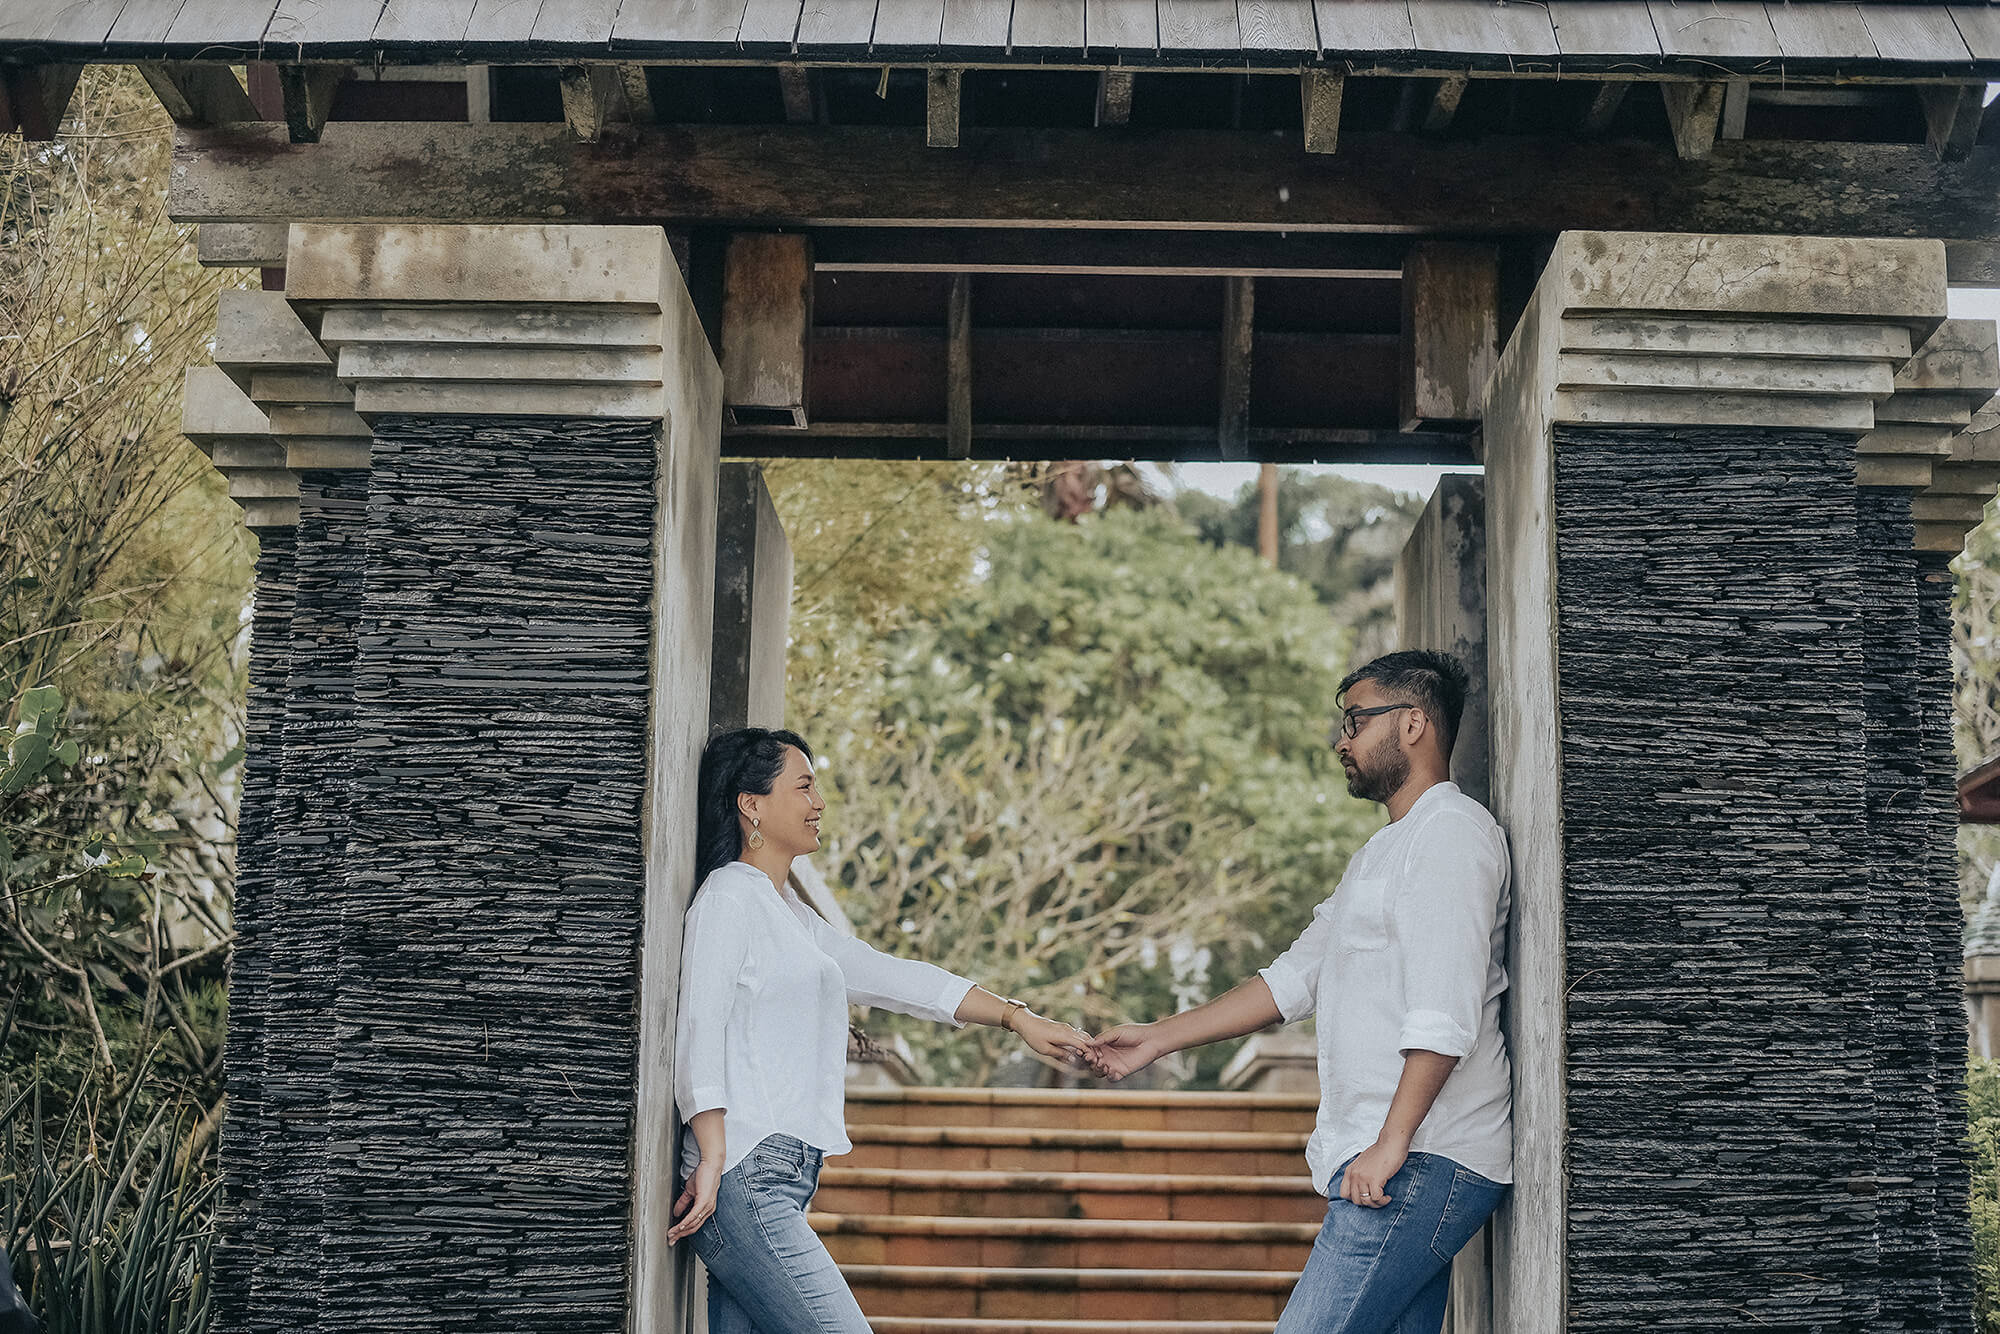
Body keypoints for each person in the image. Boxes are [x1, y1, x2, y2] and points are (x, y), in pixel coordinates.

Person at [1089, 650, 1512, 1334]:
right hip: (1400, 1156)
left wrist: (1391, 1142)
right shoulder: (1383, 852)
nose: (1342, 741)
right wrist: (1158, 1038)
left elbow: (1444, 1011)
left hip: (1424, 1155)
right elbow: (1292, 979)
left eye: (1356, 720)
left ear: (1411, 725)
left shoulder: (1450, 836)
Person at [669, 726, 1094, 1334]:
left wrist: (1014, 1016)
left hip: (779, 1181)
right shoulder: (729, 897)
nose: (819, 803)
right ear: (751, 804)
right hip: (743, 1176)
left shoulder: (793, 919)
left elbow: (897, 979)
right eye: (805, 786)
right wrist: (710, 1154)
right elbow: (700, 1029)